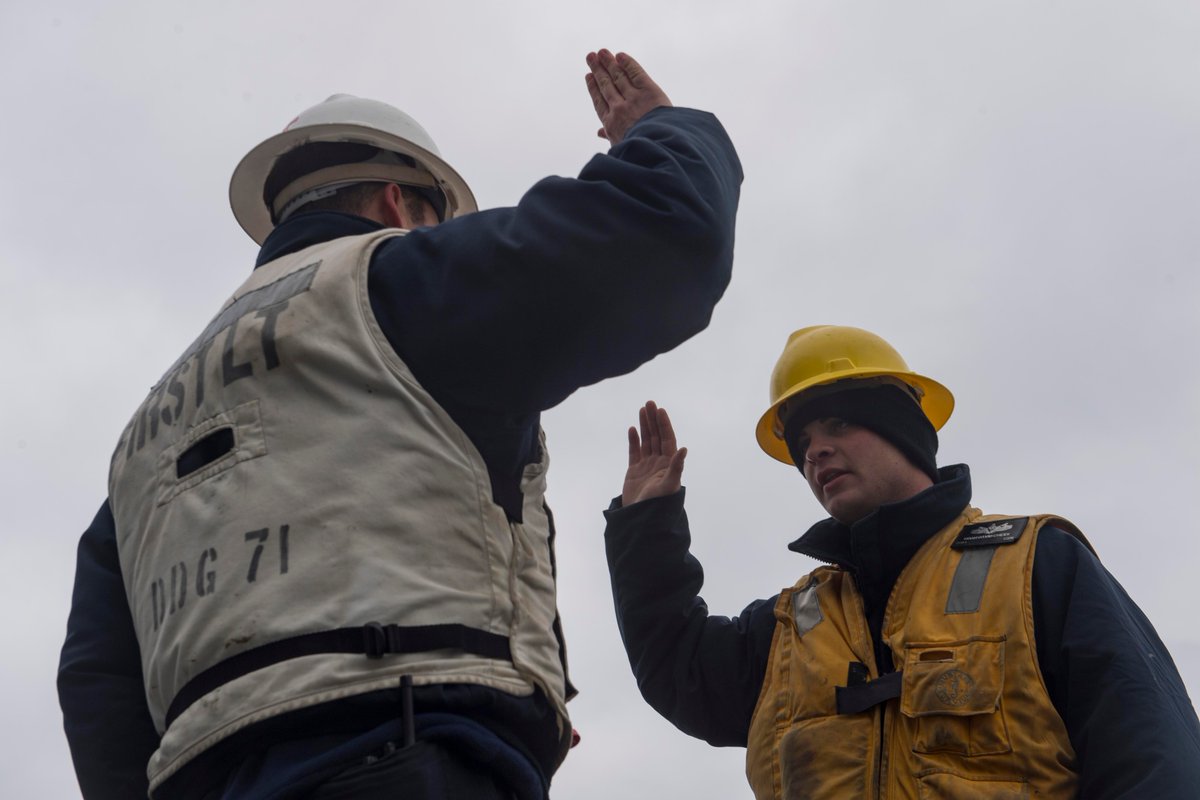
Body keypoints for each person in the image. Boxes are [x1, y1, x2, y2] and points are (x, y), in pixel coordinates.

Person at [57, 49, 742, 800]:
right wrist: (662, 129)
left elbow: (98, 685)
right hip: (410, 759)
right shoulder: (396, 289)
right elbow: (669, 235)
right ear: (395, 203)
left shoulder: (144, 437)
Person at [604, 325, 1200, 798]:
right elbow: (675, 668)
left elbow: (1151, 757)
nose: (815, 451)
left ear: (903, 430)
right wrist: (646, 526)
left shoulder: (1036, 564)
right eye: (802, 440)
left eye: (838, 420)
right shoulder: (788, 629)